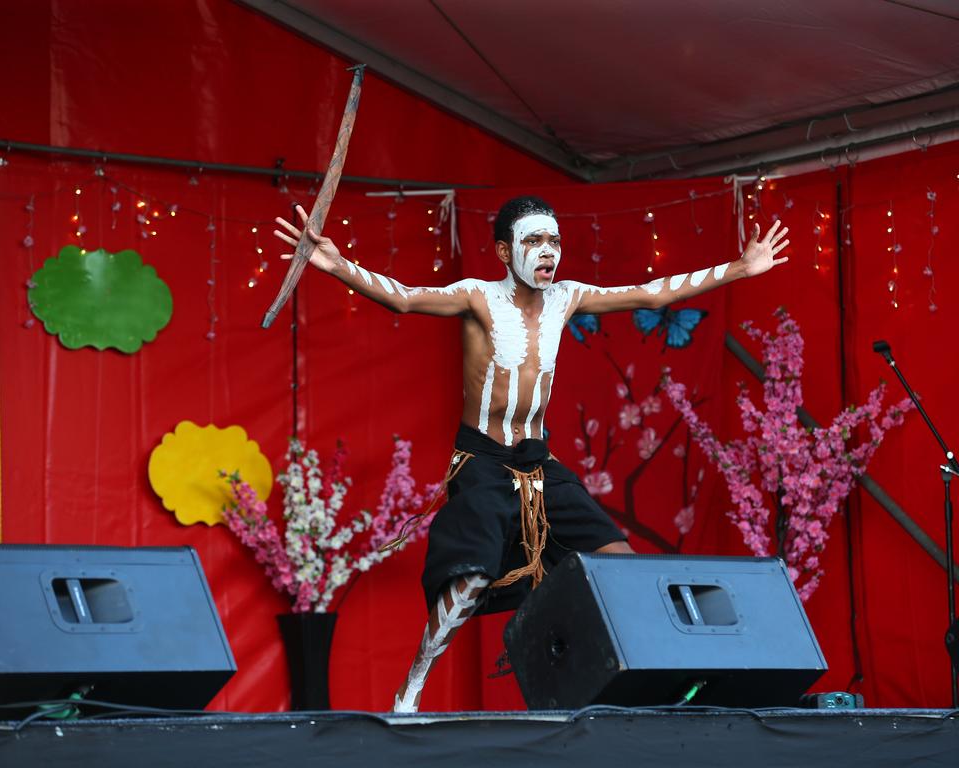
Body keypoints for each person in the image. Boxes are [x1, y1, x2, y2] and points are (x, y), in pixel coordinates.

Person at [274, 196, 789, 712]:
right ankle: (412, 686)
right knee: (472, 576)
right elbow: (405, 298)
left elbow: (651, 296)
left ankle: (621, 686)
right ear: (504, 251)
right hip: (482, 463)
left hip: (539, 463)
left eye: (554, 242)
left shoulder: (566, 297)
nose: (548, 253)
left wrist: (740, 269)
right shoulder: (476, 297)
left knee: (621, 567)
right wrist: (338, 265)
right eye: (533, 242)